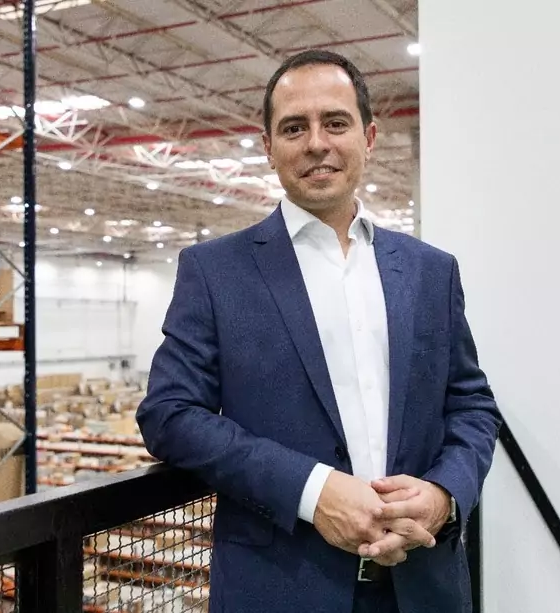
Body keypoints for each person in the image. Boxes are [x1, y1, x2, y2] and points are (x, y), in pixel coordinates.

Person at [136, 49, 501, 613]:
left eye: (335, 123)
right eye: (293, 128)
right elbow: (169, 414)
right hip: (281, 586)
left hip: (423, 586)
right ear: (268, 146)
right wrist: (312, 490)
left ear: (368, 137)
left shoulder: (431, 271)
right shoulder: (215, 272)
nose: (315, 143)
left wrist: (443, 494)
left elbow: (471, 404)